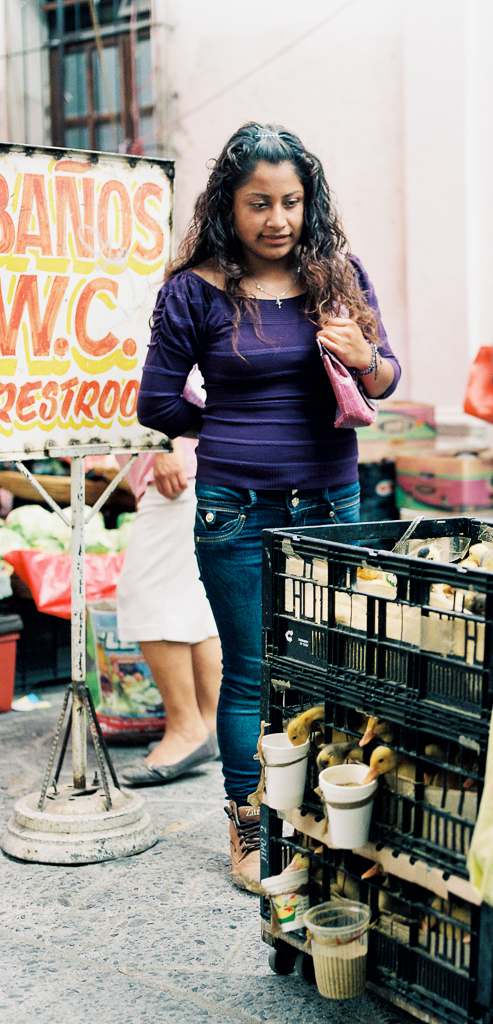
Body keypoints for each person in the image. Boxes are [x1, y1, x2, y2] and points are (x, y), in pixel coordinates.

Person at [136, 122, 401, 891]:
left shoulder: (338, 276)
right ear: (230, 205)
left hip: (330, 502)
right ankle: (248, 826)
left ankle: (321, 816)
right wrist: (228, 431)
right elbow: (158, 399)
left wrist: (364, 359)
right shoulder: (195, 290)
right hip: (236, 506)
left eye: (291, 201)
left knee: (329, 668)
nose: (277, 219)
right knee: (251, 674)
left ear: (308, 201)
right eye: (259, 204)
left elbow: (385, 377)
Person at [117, 436, 222, 786]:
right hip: (192, 466)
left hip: (173, 468)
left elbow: (176, 380)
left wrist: (166, 445)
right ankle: (211, 724)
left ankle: (186, 731)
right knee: (195, 600)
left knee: (145, 595)